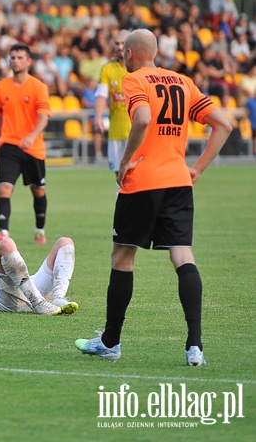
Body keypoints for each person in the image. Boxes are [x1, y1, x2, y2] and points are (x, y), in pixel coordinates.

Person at [76, 29, 233, 366]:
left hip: (143, 180)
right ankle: (195, 346)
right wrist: (198, 169)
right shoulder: (183, 81)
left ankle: (110, 343)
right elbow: (223, 125)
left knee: (122, 258)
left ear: (129, 54)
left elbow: (144, 119)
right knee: (183, 256)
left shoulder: (134, 80)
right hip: (178, 181)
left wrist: (124, 161)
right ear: (156, 52)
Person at [0, 44, 51, 246]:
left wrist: (32, 137)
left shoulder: (38, 87)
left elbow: (43, 118)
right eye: (12, 57)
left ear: (28, 61)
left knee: (38, 191)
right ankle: (4, 232)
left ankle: (39, 230)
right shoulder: (0, 87)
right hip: (8, 146)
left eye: (20, 57)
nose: (15, 60)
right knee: (4, 189)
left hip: (33, 148)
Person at [94, 30, 131, 190]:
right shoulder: (107, 68)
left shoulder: (140, 68)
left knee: (137, 173)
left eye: (123, 43)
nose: (119, 47)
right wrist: (98, 117)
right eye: (117, 43)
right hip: (116, 130)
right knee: (118, 175)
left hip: (136, 130)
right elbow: (101, 95)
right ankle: (123, 208)